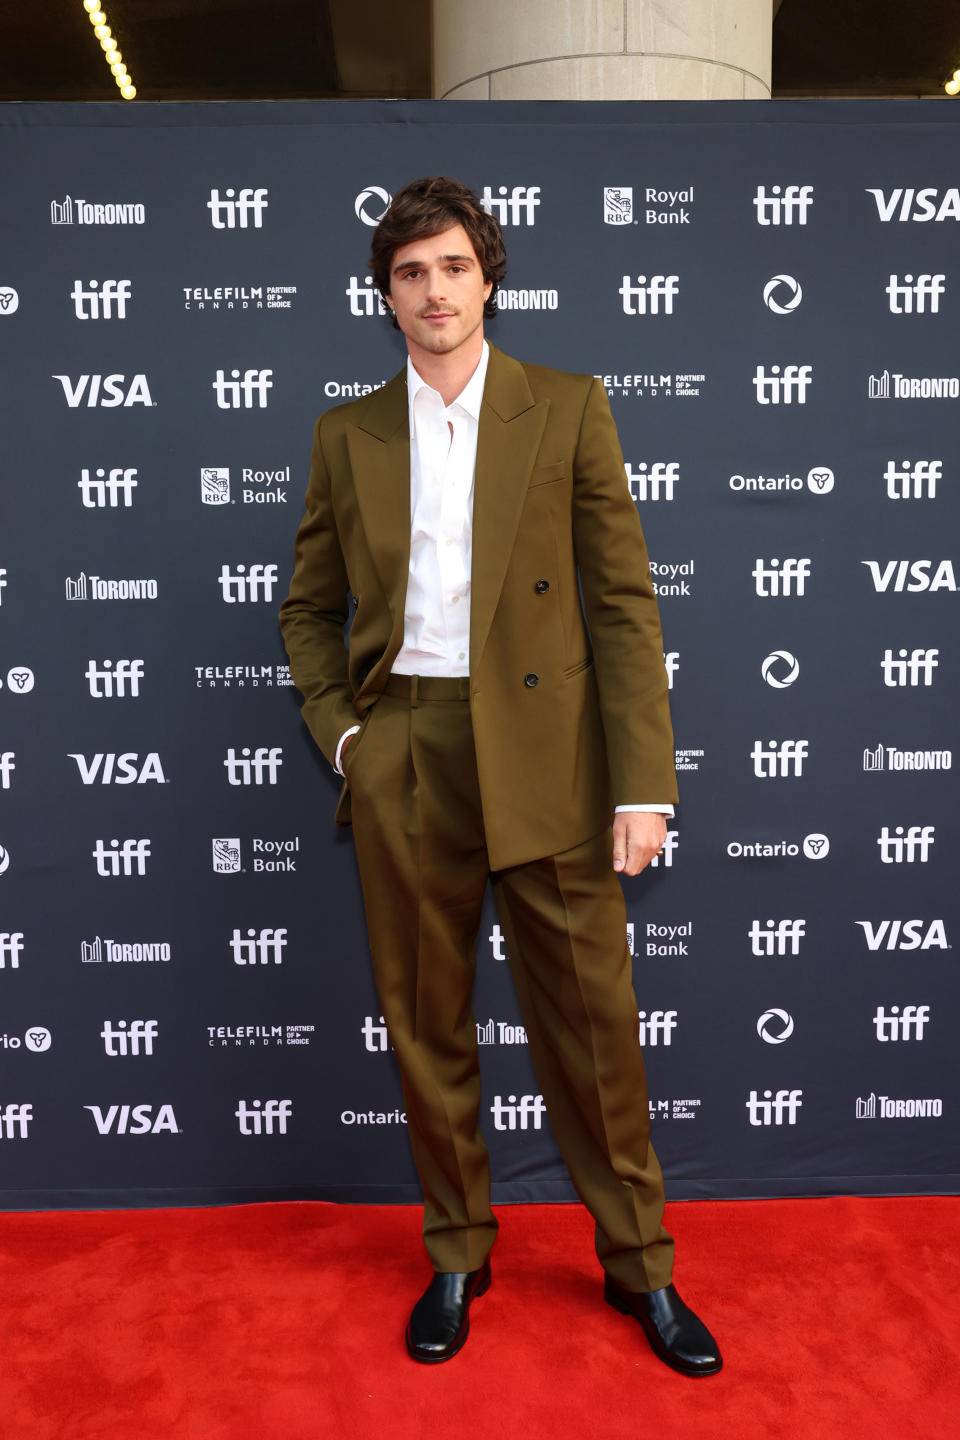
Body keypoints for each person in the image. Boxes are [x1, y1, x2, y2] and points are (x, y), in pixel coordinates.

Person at [279, 176, 721, 1377]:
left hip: (550, 755)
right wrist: (347, 737)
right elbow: (309, 609)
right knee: (426, 1025)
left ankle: (642, 1267)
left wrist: (643, 784)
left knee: (593, 1027)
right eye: (411, 272)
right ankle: (458, 1253)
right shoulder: (346, 434)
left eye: (455, 267)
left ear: (489, 279)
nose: (435, 290)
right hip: (407, 751)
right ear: (385, 295)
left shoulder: (567, 407)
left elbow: (623, 604)